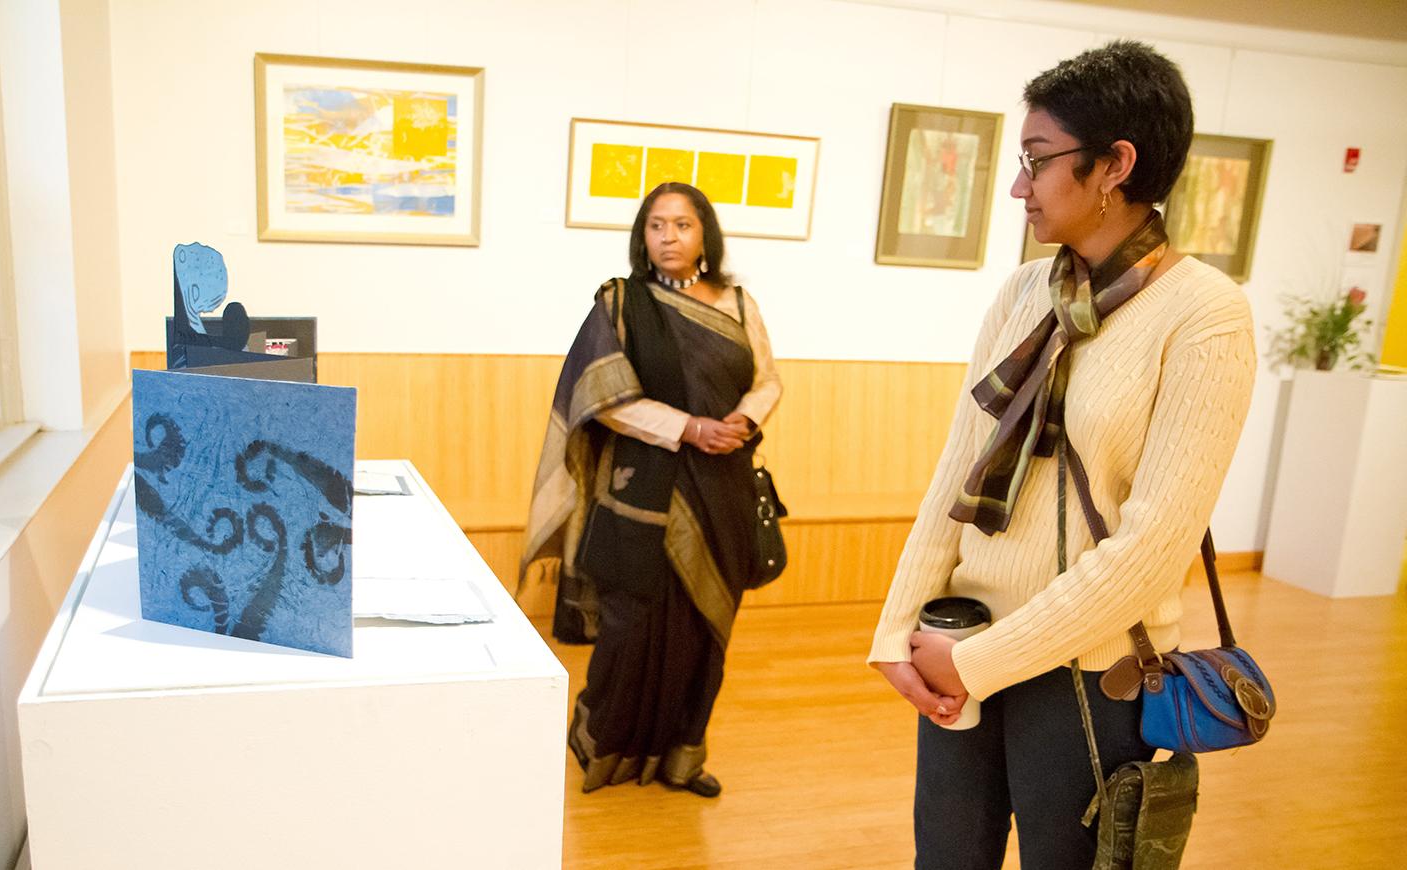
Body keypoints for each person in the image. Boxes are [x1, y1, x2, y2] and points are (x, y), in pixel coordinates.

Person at [867, 41, 1255, 868]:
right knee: (945, 857)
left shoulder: (1205, 315)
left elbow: (1152, 552)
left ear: (1116, 164)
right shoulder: (1023, 292)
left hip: (1086, 669)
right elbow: (956, 472)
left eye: (1037, 162)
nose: (1018, 188)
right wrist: (899, 630)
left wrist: (978, 663)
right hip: (961, 635)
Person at [520, 182, 782, 797]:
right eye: (657, 226)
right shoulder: (620, 303)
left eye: (682, 225)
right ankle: (605, 747)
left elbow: (768, 379)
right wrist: (687, 428)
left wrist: (744, 419)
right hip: (641, 492)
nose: (669, 237)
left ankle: (681, 759)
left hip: (725, 487)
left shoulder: (740, 303)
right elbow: (600, 396)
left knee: (703, 631)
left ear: (704, 235)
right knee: (630, 629)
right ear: (643, 237)